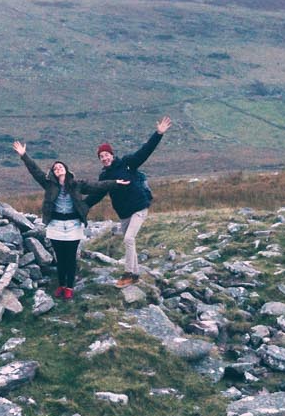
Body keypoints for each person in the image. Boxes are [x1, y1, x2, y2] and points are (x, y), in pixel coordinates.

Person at [13, 140, 127, 302]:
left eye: (60, 166)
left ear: (66, 170)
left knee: (70, 257)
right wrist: (24, 155)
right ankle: (61, 285)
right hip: (56, 225)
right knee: (60, 257)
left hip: (73, 225)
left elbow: (97, 186)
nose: (58, 168)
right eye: (55, 168)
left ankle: (69, 288)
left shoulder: (77, 185)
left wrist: (115, 183)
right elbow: (35, 171)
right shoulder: (49, 185)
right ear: (53, 173)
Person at [94, 115, 172, 286]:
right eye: (101, 156)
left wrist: (158, 134)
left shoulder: (128, 163)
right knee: (130, 241)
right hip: (124, 214)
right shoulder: (104, 176)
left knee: (129, 239)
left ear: (112, 155)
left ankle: (128, 273)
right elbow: (97, 195)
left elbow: (145, 151)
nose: (105, 158)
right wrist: (81, 207)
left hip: (139, 207)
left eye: (107, 154)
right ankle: (135, 274)